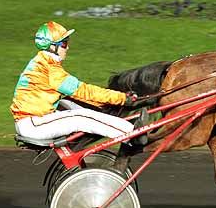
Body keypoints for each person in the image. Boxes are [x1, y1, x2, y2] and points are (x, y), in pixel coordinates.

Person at [10, 21, 147, 144]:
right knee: (81, 117)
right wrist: (121, 98)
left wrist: (110, 101)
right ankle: (132, 133)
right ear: (52, 47)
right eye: (64, 44)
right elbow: (83, 91)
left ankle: (120, 126)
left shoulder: (43, 62)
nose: (67, 48)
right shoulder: (49, 69)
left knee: (72, 105)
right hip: (34, 125)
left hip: (34, 121)